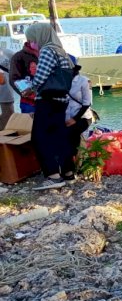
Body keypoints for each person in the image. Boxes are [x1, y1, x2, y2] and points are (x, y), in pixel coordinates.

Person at [24, 23, 75, 190]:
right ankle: (68, 173)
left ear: (40, 36)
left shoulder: (47, 50)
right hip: (61, 100)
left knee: (40, 138)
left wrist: (28, 86)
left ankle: (52, 175)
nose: (32, 42)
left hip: (47, 100)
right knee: (59, 136)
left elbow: (40, 78)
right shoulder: (61, 51)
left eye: (32, 39)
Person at [65, 59, 94, 167]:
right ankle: (70, 164)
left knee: (75, 135)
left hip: (82, 116)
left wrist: (74, 119)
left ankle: (78, 165)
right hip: (67, 116)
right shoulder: (64, 81)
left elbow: (87, 103)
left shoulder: (84, 81)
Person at [10, 40, 39, 113]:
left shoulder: (47, 54)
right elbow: (14, 79)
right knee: (29, 124)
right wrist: (29, 94)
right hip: (29, 103)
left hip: (48, 102)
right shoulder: (18, 57)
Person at [0, 62, 15, 130]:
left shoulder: (6, 52)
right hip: (4, 89)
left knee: (8, 114)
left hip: (5, 91)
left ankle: (4, 135)